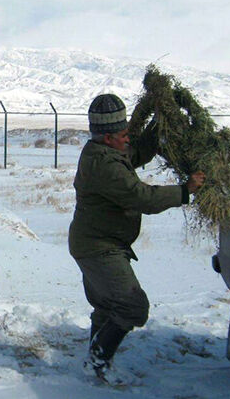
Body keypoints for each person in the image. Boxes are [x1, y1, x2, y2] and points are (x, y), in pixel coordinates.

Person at [69, 94, 205, 385]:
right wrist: (185, 190)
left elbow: (136, 152)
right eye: (124, 135)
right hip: (98, 248)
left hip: (96, 243)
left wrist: (160, 121)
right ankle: (96, 363)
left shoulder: (105, 151)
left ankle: (96, 364)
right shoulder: (105, 166)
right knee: (132, 307)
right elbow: (142, 197)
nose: (128, 139)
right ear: (108, 138)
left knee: (107, 307)